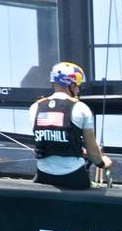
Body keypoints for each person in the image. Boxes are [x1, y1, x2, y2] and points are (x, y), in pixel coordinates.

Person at [29, 61, 112, 190]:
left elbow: (51, 139)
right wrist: (102, 163)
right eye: (77, 85)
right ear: (70, 85)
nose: (78, 89)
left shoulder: (35, 107)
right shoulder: (81, 108)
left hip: (44, 176)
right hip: (74, 177)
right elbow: (93, 152)